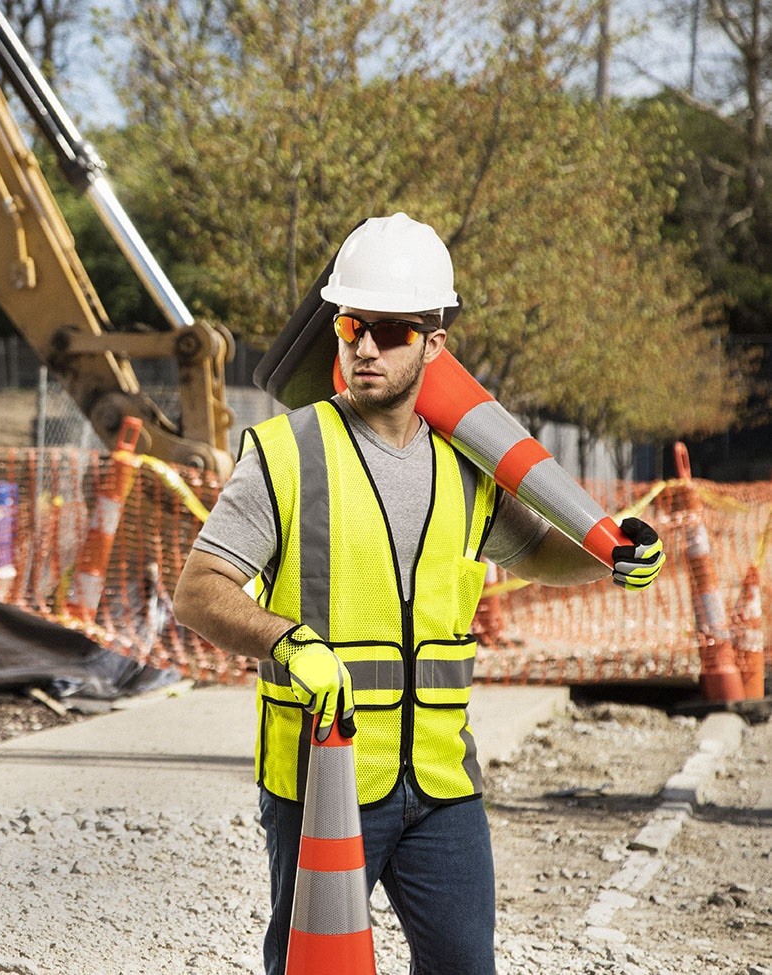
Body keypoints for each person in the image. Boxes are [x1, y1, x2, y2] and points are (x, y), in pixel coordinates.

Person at [172, 212, 665, 975]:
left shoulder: (469, 465)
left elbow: (539, 550)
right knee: (312, 967)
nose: (365, 346)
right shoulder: (287, 451)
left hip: (441, 783)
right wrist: (286, 639)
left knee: (468, 967)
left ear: (436, 343)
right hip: (325, 773)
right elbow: (198, 590)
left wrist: (611, 555)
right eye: (351, 326)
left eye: (391, 332)